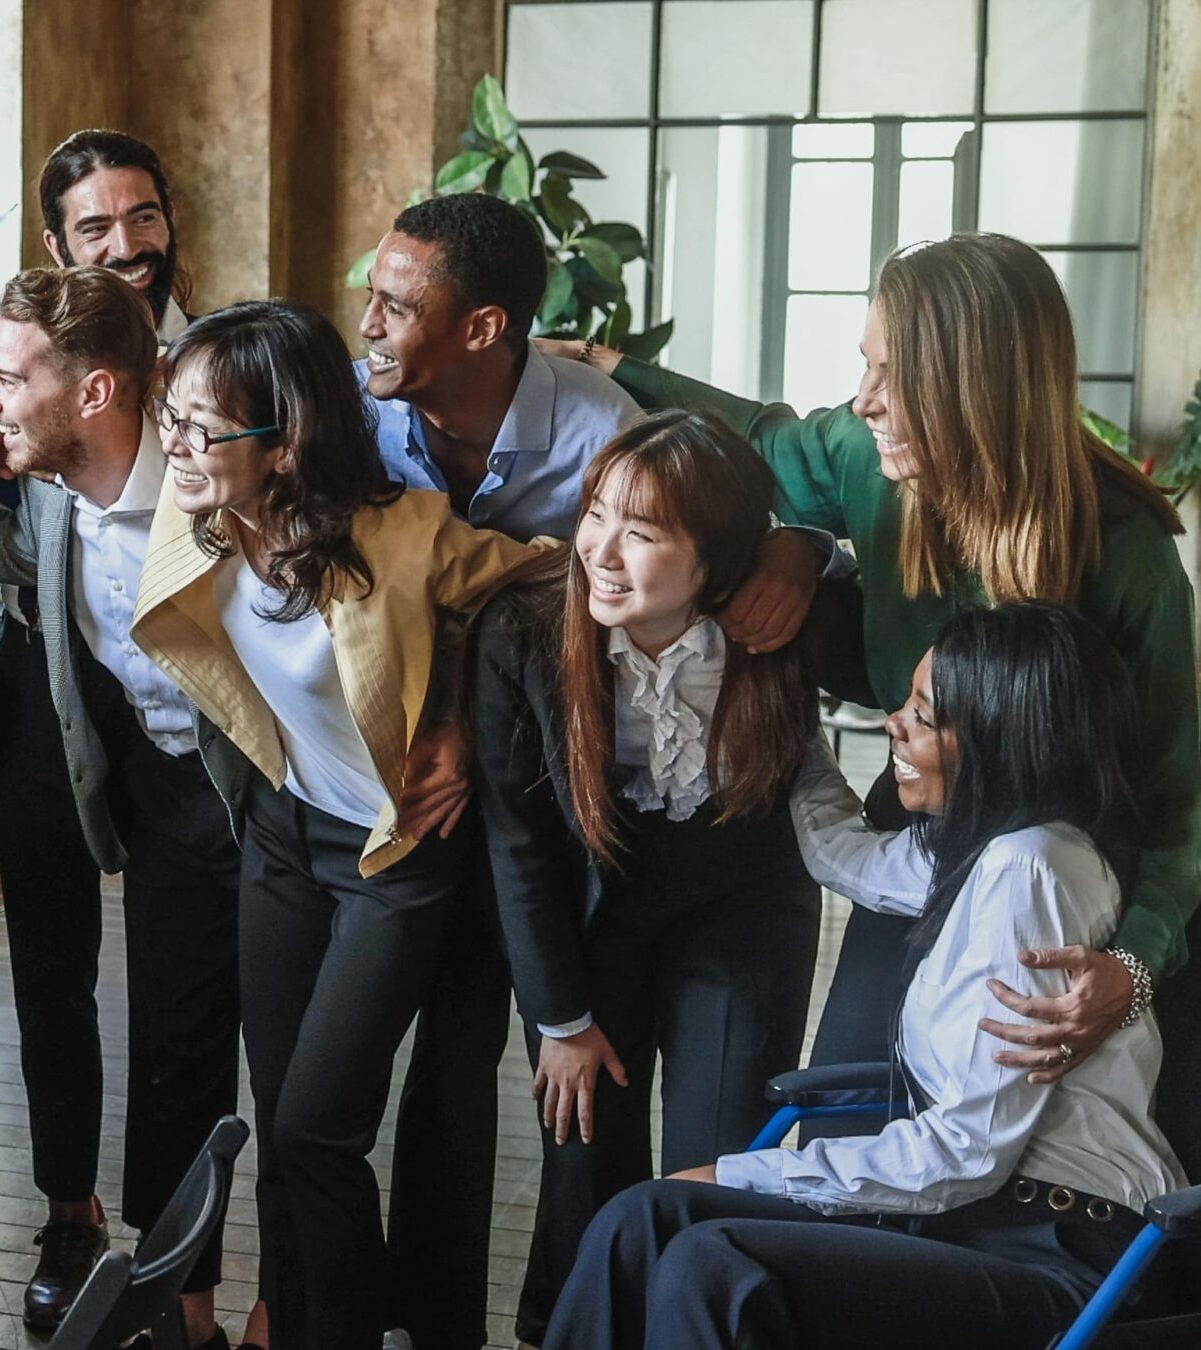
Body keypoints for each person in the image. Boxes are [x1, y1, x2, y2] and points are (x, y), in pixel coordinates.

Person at [551, 232, 1201, 1174]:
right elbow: (759, 439)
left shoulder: (1128, 551)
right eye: (865, 366)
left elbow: (1180, 800)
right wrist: (613, 368)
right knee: (857, 1123)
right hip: (924, 845)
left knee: (1047, 1167)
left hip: (1084, 894)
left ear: (975, 388)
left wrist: (1132, 969)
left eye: (892, 374)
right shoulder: (865, 457)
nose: (864, 400)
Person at [544, 603, 1188, 1350]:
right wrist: (781, 723)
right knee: (640, 1219)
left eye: (923, 714)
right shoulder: (980, 853)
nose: (895, 725)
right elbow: (843, 855)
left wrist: (742, 1174)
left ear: (1001, 739)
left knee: (715, 1263)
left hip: (1066, 1250)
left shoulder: (1032, 868)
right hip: (971, 1219)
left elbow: (968, 1152)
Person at [129, 299, 555, 1348]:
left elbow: (542, 584)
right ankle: (294, 1324)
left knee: (320, 1128)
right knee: (282, 1123)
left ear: (287, 445)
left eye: (201, 429)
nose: (174, 448)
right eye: (168, 417)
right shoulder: (200, 521)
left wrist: (457, 713)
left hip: (393, 856)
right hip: (282, 837)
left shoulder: (401, 537)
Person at [472, 411, 833, 1344]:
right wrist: (560, 1018)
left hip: (742, 908)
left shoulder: (785, 623)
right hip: (598, 907)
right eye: (598, 514)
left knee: (714, 1164)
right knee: (584, 1157)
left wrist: (811, 545)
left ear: (715, 560)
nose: (603, 549)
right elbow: (522, 848)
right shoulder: (521, 629)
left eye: (642, 532)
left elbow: (904, 614)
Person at [0, 265, 242, 1348]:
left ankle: (262, 1306)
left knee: (265, 1066)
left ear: (93, 393)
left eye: (4, 380)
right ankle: (181, 1321)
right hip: (150, 778)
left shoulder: (216, 481)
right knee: (171, 1047)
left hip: (263, 798)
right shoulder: (47, 484)